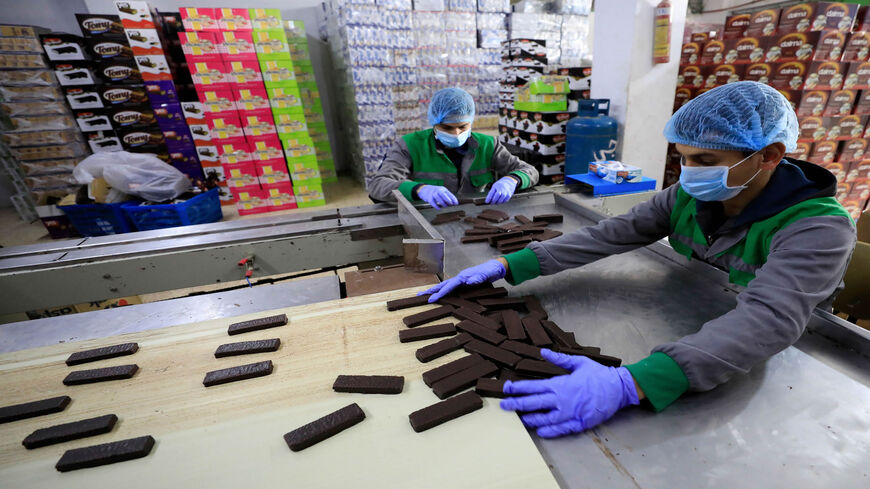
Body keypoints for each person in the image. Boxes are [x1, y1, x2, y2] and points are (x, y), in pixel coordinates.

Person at [421, 81, 857, 438]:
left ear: (770, 156)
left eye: (706, 160)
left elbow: (769, 319)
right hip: (691, 315)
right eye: (684, 159)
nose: (690, 173)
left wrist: (634, 383)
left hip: (779, 362)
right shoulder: (689, 194)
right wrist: (511, 265)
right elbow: (615, 232)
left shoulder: (818, 228)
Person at [368, 87, 539, 207]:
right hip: (426, 217)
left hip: (473, 218)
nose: (456, 133)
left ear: (471, 122)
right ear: (434, 123)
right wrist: (420, 189)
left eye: (462, 127)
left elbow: (530, 171)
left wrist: (511, 180)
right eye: (447, 128)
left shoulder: (487, 144)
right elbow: (378, 185)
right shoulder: (410, 145)